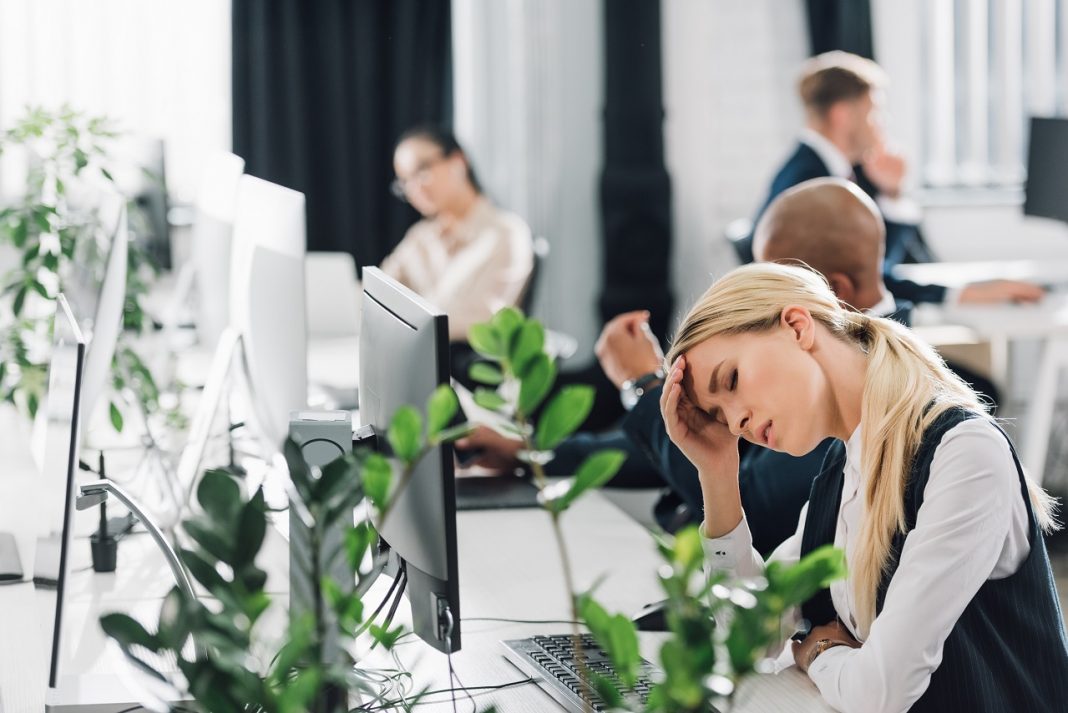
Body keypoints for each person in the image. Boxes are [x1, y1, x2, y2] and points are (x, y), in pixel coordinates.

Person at [661, 261, 1067, 712]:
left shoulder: (963, 453)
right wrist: (717, 474)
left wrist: (817, 651)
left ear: (797, 326)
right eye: (718, 416)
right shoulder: (843, 472)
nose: (735, 422)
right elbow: (749, 639)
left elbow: (881, 691)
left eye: (732, 380)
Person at [743, 50, 1044, 307]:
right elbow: (866, 279)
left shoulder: (832, 169)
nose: (882, 125)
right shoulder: (811, 183)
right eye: (874, 112)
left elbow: (879, 264)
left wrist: (892, 192)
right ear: (842, 115)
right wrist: (964, 294)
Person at [382, 126, 534, 343]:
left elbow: (484, 321)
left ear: (458, 162)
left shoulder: (506, 234)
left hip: (459, 359)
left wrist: (408, 323)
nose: (415, 188)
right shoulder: (421, 237)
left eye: (422, 171)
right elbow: (381, 289)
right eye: (405, 181)